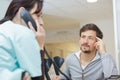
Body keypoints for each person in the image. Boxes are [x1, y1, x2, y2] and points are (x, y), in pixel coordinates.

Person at [52, 23, 118, 80]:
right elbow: (66, 75)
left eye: (90, 38)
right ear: (79, 40)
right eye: (83, 37)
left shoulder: (106, 59)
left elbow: (113, 78)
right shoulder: (70, 58)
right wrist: (60, 78)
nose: (85, 41)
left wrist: (103, 53)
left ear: (97, 42)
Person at [0, 0, 45, 80]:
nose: (42, 22)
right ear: (22, 13)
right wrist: (40, 46)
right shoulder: (23, 32)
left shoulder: (3, 29)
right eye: (37, 15)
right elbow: (38, 77)